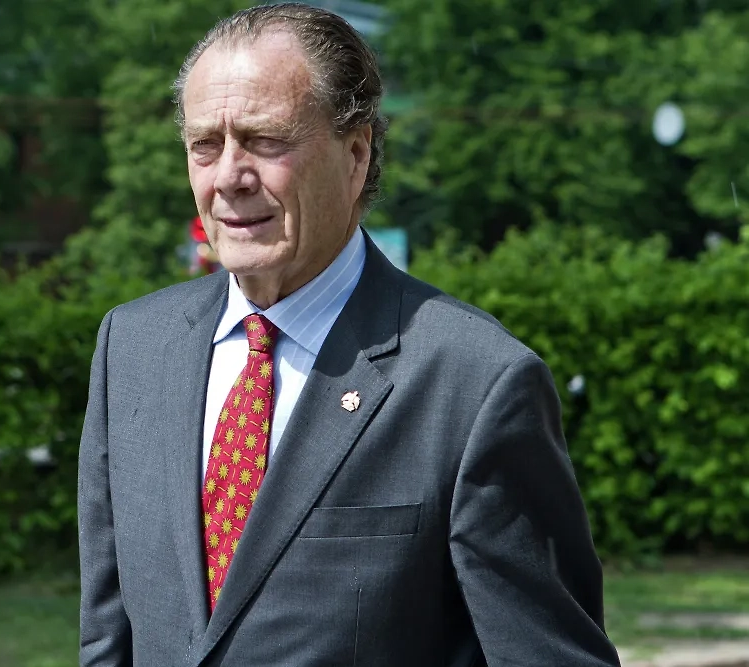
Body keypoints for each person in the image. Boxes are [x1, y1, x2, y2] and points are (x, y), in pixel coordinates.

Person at [77, 3, 621, 666]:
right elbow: (108, 639)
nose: (229, 176)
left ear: (356, 154)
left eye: (265, 140)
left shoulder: (474, 381)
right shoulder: (132, 348)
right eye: (205, 145)